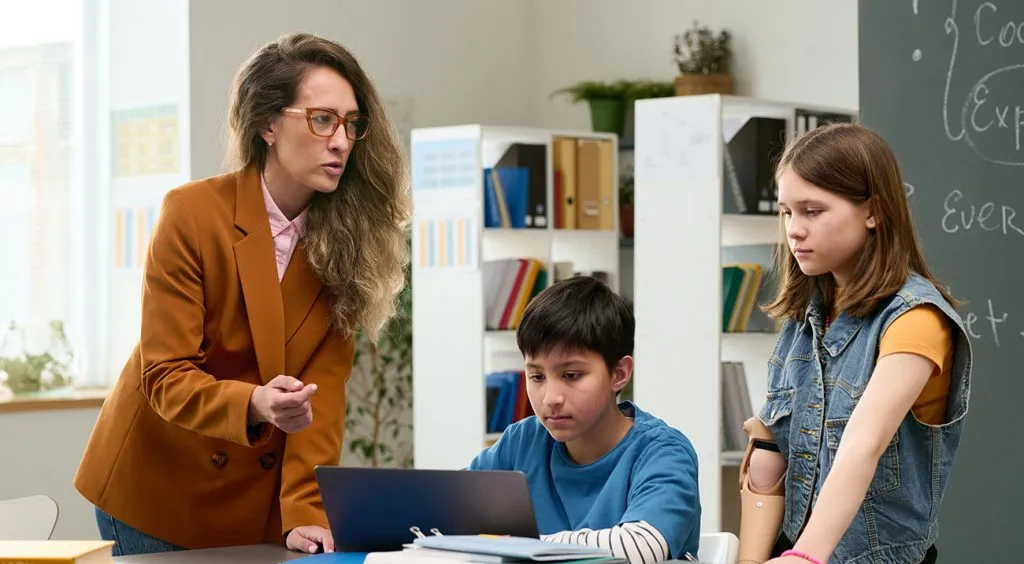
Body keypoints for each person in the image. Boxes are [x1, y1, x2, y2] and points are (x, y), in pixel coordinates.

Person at [73, 33, 410, 556]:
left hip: (255, 502)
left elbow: (321, 397)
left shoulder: (349, 243)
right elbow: (165, 374)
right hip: (157, 487)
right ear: (267, 124)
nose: (342, 141)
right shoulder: (192, 213)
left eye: (351, 123)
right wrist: (254, 402)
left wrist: (305, 511)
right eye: (322, 119)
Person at [735, 123, 972, 564]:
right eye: (786, 212)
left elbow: (862, 446)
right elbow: (770, 456)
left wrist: (804, 557)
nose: (794, 230)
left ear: (873, 212)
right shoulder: (805, 318)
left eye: (812, 211)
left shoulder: (916, 319)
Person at [468, 276, 701, 564]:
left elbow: (642, 548)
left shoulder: (662, 451)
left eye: (571, 375)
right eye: (537, 376)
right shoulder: (521, 441)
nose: (551, 397)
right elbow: (445, 518)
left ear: (619, 374)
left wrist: (521, 544)